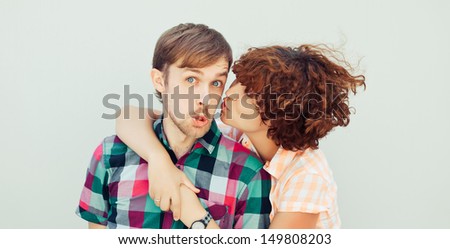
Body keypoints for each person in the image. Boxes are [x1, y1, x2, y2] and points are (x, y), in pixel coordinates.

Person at [117, 44, 366, 228]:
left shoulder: (307, 177)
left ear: (276, 115)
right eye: (239, 81)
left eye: (248, 94)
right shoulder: (238, 133)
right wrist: (159, 160)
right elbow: (129, 116)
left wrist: (189, 207)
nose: (230, 92)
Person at [76, 23, 272, 229]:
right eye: (191, 79)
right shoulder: (109, 155)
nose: (206, 98)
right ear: (160, 81)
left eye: (216, 83)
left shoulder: (249, 173)